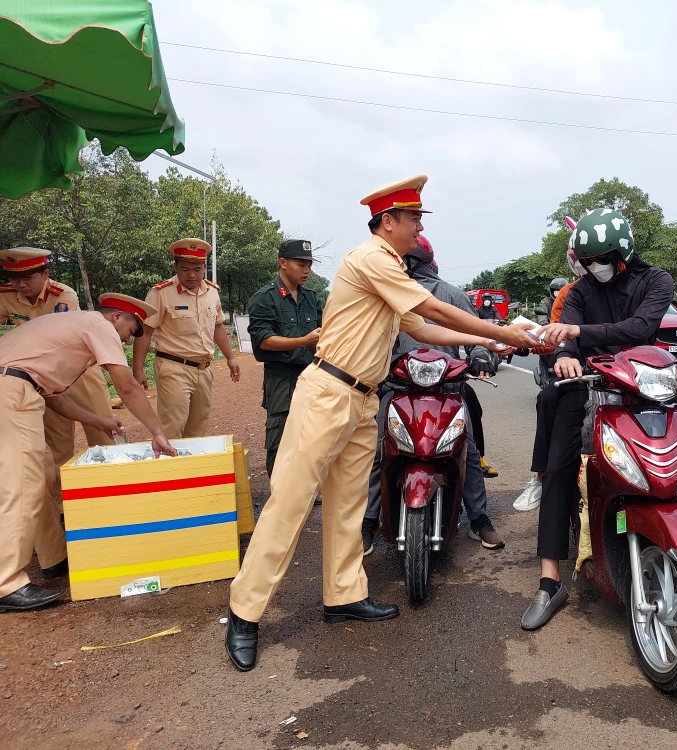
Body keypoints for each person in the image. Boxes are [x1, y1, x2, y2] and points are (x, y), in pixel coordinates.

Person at [224, 175, 536, 672]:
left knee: (348, 506)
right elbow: (431, 307)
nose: (418, 228)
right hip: (328, 392)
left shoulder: (387, 266)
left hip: (363, 398)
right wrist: (505, 330)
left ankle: (343, 594)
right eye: (412, 219)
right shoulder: (372, 258)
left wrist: (496, 343)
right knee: (289, 502)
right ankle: (245, 612)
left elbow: (421, 326)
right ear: (387, 222)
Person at [521, 209, 677, 631]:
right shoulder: (579, 292)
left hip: (646, 383)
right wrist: (564, 355)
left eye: (603, 257)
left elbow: (640, 327)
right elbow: (567, 333)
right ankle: (549, 580)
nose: (594, 266)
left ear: (624, 252)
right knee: (559, 467)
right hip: (590, 383)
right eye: (588, 260)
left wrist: (578, 336)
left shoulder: (656, 281)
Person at [0, 293, 176, 613]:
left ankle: (54, 560)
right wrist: (157, 431)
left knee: (41, 474)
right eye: (129, 331)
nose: (125, 340)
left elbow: (55, 398)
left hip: (18, 388)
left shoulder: (71, 330)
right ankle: (6, 583)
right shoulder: (98, 325)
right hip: (11, 391)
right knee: (21, 486)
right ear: (117, 318)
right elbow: (127, 386)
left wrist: (99, 421)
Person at [361, 234, 504, 555]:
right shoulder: (388, 298)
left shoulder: (452, 295)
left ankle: (480, 519)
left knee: (467, 450)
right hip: (398, 390)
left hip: (448, 391)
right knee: (377, 451)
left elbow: (476, 333)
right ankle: (368, 522)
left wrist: (482, 356)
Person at [0, 247, 117, 579]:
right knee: (52, 454)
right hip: (32, 380)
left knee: (102, 440)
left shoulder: (63, 295)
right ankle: (64, 517)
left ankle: (107, 510)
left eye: (27, 278)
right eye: (14, 279)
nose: (21, 286)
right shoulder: (5, 296)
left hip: (78, 372)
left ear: (45, 274)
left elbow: (69, 343)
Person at [132, 239, 240, 439]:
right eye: (184, 269)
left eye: (197, 269)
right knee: (173, 426)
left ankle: (191, 469)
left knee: (197, 427)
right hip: (173, 367)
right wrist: (137, 370)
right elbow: (144, 332)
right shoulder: (161, 293)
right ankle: (168, 469)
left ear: (205, 267)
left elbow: (217, 327)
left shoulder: (212, 292)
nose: (191, 275)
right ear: (175, 267)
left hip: (203, 369)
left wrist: (230, 357)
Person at [514, 220, 586, 512]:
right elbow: (556, 336)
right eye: (585, 257)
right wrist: (524, 341)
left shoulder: (639, 286)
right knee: (547, 398)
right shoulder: (567, 294)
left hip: (624, 374)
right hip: (577, 374)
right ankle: (541, 478)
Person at [247, 239, 323, 477]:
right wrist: (304, 341)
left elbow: (323, 333)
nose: (307, 270)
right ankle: (278, 492)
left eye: (309, 265)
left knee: (311, 434)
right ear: (283, 263)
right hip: (281, 376)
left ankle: (305, 489)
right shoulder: (265, 298)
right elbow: (264, 340)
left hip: (310, 375)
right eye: (301, 264)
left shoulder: (312, 298)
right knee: (279, 436)